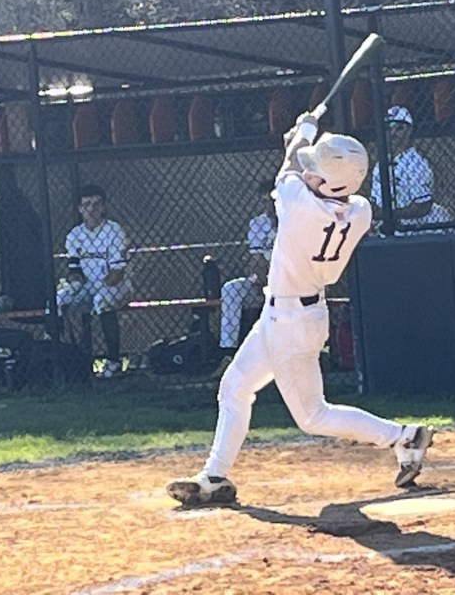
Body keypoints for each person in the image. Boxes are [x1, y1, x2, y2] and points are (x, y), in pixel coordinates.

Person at [166, 114, 434, 507]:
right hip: (293, 315)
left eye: (317, 172)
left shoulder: (300, 205)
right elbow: (297, 169)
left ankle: (402, 436)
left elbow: (290, 168)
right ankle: (215, 476)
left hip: (290, 322)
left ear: (331, 183)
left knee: (312, 416)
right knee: (235, 387)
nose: (309, 173)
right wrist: (302, 145)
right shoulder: (360, 211)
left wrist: (303, 131)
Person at [57, 184, 133, 377]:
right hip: (89, 286)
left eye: (97, 204)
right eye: (87, 204)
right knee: (58, 299)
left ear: (103, 207)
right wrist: (74, 284)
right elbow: (74, 270)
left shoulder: (114, 231)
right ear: (80, 208)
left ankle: (114, 362)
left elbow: (117, 273)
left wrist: (97, 292)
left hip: (117, 286)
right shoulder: (75, 235)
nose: (92, 209)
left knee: (101, 301)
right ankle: (60, 359)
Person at [370, 105, 452, 234]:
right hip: (392, 233)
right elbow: (375, 204)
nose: (393, 133)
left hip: (419, 234)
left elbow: (423, 207)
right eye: (388, 128)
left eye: (399, 128)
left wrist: (388, 215)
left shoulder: (417, 164)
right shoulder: (380, 165)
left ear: (409, 131)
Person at [218, 180, 277, 353]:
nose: (269, 206)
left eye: (272, 200)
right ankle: (228, 349)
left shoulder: (293, 221)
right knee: (230, 289)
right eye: (264, 201)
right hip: (262, 282)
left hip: (289, 283)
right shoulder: (257, 224)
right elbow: (257, 260)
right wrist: (260, 280)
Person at [0, 165, 49, 311]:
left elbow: (35, 224)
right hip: (12, 254)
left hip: (28, 253)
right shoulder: (5, 205)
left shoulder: (21, 204)